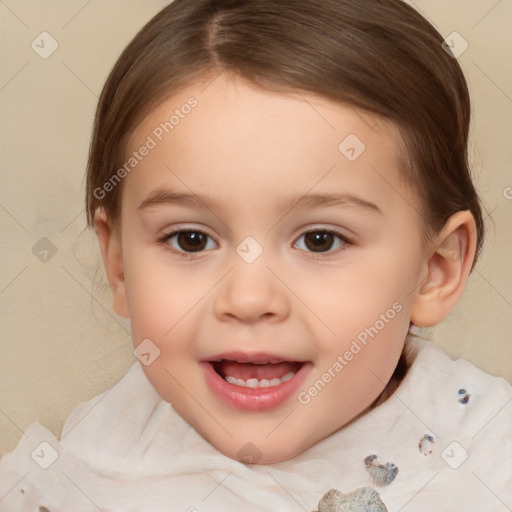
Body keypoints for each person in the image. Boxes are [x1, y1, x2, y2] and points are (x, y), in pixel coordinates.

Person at [1, 1, 511, 510]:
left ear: (434, 271)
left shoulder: (492, 468)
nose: (248, 298)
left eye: (320, 240)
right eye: (191, 240)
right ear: (119, 264)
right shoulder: (70, 487)